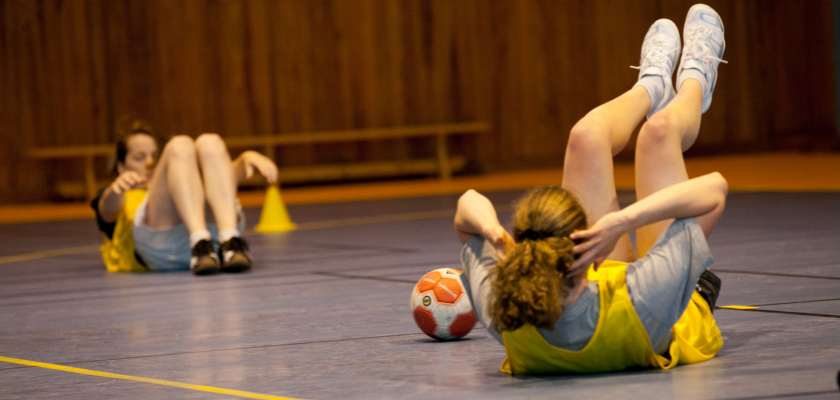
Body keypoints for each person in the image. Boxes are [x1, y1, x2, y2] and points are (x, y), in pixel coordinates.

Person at [454, 4, 728, 374]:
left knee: (585, 137)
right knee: (659, 134)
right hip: (669, 309)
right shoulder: (644, 297)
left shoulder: (508, 312)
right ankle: (697, 79)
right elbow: (715, 189)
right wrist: (621, 221)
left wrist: (492, 235)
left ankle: (651, 86)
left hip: (601, 285)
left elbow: (466, 206)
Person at [91, 118, 279, 275]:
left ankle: (230, 240)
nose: (149, 162)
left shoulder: (188, 179)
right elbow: (107, 212)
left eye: (155, 155)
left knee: (209, 141)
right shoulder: (122, 195)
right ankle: (198, 241)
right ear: (121, 166)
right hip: (163, 249)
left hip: (215, 239)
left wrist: (247, 158)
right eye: (139, 157)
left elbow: (225, 180)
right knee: (180, 144)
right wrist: (116, 189)